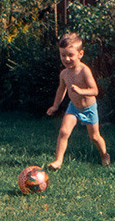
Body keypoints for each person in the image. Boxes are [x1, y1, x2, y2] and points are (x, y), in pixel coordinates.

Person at [45, 32, 110, 169]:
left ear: (80, 54)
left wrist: (81, 91)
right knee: (63, 132)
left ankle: (104, 155)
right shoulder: (64, 73)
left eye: (70, 55)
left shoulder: (84, 71)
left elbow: (95, 91)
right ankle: (58, 161)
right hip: (73, 108)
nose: (66, 59)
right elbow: (61, 90)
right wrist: (55, 106)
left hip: (89, 108)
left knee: (94, 137)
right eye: (63, 55)